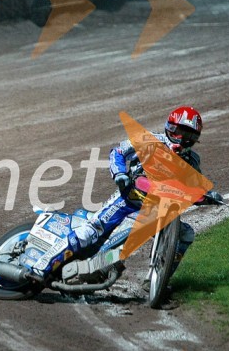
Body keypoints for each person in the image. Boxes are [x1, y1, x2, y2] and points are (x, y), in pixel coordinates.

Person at [29, 106, 216, 291]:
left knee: (186, 234)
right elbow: (118, 152)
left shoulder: (193, 161)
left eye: (190, 136)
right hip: (128, 200)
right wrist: (119, 173)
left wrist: (207, 195)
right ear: (171, 127)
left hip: (156, 212)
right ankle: (41, 267)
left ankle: (158, 279)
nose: (184, 139)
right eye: (181, 132)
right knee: (90, 232)